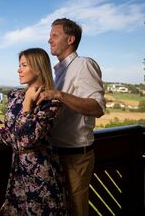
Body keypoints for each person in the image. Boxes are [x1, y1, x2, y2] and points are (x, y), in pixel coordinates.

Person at [0, 48, 67, 216]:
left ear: (38, 68)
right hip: (17, 170)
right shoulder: (15, 95)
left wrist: (27, 104)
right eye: (19, 65)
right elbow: (14, 135)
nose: (19, 69)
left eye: (24, 65)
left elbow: (27, 140)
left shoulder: (52, 102)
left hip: (39, 173)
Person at [37, 18, 106, 216]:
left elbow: (97, 107)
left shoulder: (83, 65)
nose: (49, 40)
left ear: (70, 39)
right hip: (56, 154)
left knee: (76, 209)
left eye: (54, 35)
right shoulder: (58, 72)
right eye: (50, 35)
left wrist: (58, 95)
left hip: (76, 156)